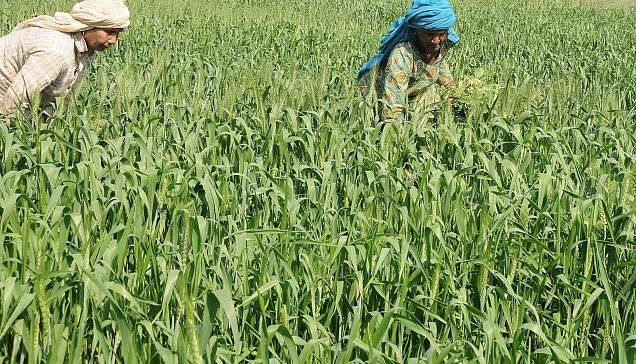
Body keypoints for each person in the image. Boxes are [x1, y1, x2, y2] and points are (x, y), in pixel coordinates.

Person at [0, 0, 130, 118]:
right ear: (89, 26)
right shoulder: (56, 51)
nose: (114, 40)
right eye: (110, 32)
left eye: (118, 33)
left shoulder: (85, 48)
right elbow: (15, 100)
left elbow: (61, 97)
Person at [358, 0, 459, 124]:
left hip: (410, 92)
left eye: (441, 34)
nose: (436, 41)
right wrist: (395, 137)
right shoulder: (403, 53)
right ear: (416, 30)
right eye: (429, 34)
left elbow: (442, 71)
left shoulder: (444, 42)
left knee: (436, 95)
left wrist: (459, 99)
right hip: (379, 95)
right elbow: (391, 106)